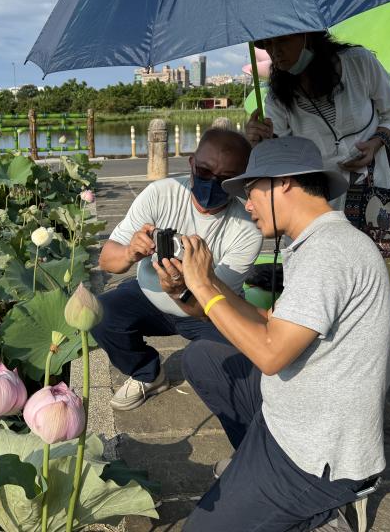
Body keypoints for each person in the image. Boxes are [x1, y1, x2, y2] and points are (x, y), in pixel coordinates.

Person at [173, 136, 390, 531]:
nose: (248, 204)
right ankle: (254, 471)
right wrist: (202, 287)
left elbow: (271, 353)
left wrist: (206, 289)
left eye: (251, 190)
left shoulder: (330, 253)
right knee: (202, 357)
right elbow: (270, 321)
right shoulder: (318, 242)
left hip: (317, 453)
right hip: (291, 413)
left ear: (285, 182)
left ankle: (322, 509)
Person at [92, 127, 263, 411]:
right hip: (148, 294)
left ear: (240, 183)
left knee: (239, 361)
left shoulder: (248, 229)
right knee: (101, 314)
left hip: (204, 310)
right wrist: (130, 252)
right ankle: (148, 374)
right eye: (205, 171)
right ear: (192, 163)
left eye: (225, 179)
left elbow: (213, 308)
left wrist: (182, 290)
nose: (211, 182)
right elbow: (107, 260)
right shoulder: (161, 193)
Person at [245, 31, 390, 207]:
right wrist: (262, 141)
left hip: (378, 196)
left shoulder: (358, 63)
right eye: (268, 43)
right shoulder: (276, 98)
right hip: (323, 206)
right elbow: (282, 158)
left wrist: (376, 143)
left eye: (283, 40)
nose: (275, 51)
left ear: (308, 36)